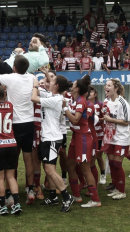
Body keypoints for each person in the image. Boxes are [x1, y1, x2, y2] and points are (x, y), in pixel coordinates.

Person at [0, 56, 37, 205]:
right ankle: (30, 189)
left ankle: (10, 193)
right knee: (28, 159)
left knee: (12, 161)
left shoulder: (10, 77)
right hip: (29, 122)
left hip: (15, 124)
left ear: (14, 68)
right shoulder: (32, 77)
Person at [31, 71, 75, 212]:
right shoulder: (54, 95)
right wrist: (46, 76)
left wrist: (35, 84)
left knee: (49, 169)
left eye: (51, 81)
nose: (48, 82)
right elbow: (49, 88)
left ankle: (66, 197)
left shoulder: (55, 99)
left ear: (56, 86)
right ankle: (52, 196)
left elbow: (33, 98)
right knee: (48, 168)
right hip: (48, 137)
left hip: (52, 138)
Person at [62, 75, 101, 207]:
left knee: (85, 169)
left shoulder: (81, 101)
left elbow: (75, 120)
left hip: (83, 138)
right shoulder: (75, 99)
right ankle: (76, 195)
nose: (71, 87)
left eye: (73, 85)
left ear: (77, 88)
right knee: (70, 166)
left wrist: (65, 109)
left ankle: (95, 200)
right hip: (76, 136)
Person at [0, 82, 22, 215]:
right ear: (4, 94)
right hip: (12, 144)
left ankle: (2, 206)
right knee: (11, 176)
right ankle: (16, 204)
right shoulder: (10, 105)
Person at [101, 79, 130, 200]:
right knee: (112, 164)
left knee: (117, 165)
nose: (105, 87)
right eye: (106, 85)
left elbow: (126, 121)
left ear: (116, 88)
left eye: (109, 85)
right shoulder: (106, 101)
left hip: (121, 138)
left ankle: (122, 191)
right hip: (110, 138)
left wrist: (111, 120)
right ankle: (116, 187)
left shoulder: (122, 103)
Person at [87, 87, 106, 185]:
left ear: (95, 94)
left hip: (99, 134)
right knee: (90, 157)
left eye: (92, 91)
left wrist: (97, 119)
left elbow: (106, 117)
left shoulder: (100, 104)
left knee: (98, 156)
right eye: (88, 91)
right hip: (88, 135)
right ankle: (90, 178)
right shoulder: (85, 104)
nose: (89, 93)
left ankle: (103, 174)